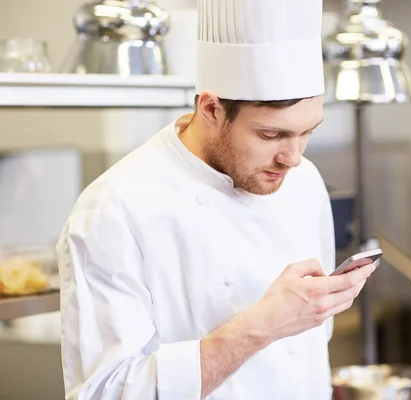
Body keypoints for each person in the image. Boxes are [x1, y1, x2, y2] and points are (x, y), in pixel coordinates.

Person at [56, 0, 376, 399]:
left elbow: (310, 350)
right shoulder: (115, 209)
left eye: (307, 131)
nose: (293, 157)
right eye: (270, 135)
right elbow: (104, 393)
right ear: (211, 108)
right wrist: (260, 325)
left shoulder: (303, 180)